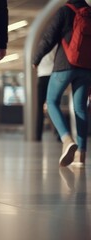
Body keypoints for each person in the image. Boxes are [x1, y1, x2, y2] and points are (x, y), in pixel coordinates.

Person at [33, 0, 91, 167]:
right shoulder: (89, 12)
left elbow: (49, 36)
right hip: (86, 67)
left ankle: (66, 139)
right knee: (80, 108)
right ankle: (81, 154)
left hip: (65, 64)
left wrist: (36, 58)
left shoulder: (65, 10)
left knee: (51, 101)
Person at [36, 47, 56, 141]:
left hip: (42, 76)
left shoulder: (38, 46)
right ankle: (59, 135)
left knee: (39, 107)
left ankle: (38, 135)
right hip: (52, 75)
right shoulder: (55, 45)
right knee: (54, 105)